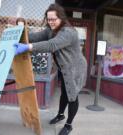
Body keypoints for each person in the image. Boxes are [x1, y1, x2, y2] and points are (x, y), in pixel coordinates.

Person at [14, 3, 87, 135]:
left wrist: (28, 47)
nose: (51, 22)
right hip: (63, 67)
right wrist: (21, 32)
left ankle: (69, 125)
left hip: (75, 69)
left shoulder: (68, 32)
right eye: (49, 19)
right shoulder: (50, 30)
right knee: (64, 92)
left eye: (54, 19)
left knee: (72, 96)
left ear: (61, 18)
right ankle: (60, 114)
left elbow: (51, 45)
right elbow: (34, 37)